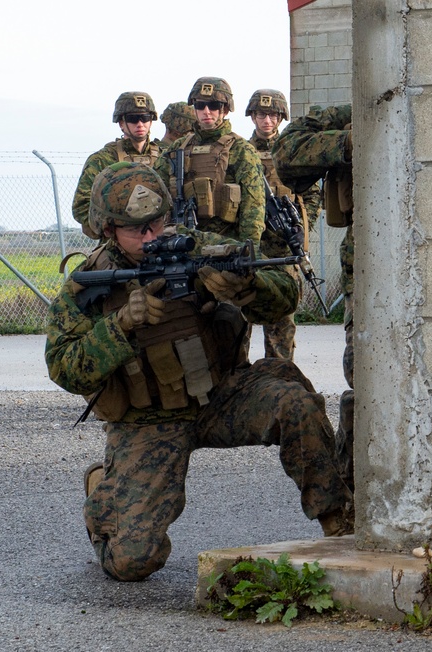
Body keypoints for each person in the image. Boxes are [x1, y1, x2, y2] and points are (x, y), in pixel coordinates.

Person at [45, 162, 354, 582]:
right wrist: (118, 327)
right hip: (148, 422)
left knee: (295, 404)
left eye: (157, 223)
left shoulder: (200, 248)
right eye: (138, 230)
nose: (152, 237)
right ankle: (105, 492)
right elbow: (64, 368)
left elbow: (286, 291)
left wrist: (248, 289)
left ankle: (338, 521)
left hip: (222, 396)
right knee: (131, 563)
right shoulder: (88, 283)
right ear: (107, 229)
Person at [272, 104, 354, 492]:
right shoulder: (349, 114)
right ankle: (353, 491)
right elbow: (286, 154)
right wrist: (351, 141)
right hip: (370, 272)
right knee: (366, 378)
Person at [245, 88, 321, 360]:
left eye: (273, 115)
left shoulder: (289, 152)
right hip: (251, 248)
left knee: (281, 326)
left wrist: (302, 226)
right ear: (253, 116)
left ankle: (280, 379)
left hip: (284, 252)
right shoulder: (243, 152)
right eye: (262, 114)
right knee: (237, 322)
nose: (267, 120)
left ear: (281, 117)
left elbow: (312, 194)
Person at [152, 77, 265, 246]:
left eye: (214, 106)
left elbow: (253, 208)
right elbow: (155, 189)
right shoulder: (177, 149)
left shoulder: (241, 150)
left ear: (225, 110)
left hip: (225, 246)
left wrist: (248, 250)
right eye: (200, 105)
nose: (206, 111)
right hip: (181, 243)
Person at [72, 92, 161, 236]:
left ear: (151, 121)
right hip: (118, 242)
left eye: (145, 118)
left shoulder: (166, 156)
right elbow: (81, 206)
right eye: (133, 119)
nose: (140, 124)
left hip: (159, 238)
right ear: (121, 123)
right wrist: (117, 227)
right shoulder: (102, 160)